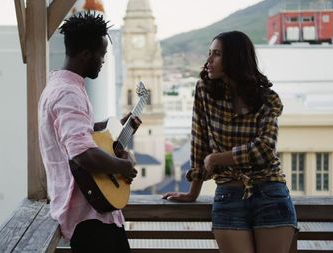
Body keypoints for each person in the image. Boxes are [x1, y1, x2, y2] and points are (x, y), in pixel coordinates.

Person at [162, 31, 298, 253]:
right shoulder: (205, 91)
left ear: (235, 59)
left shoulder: (266, 98)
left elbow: (265, 148)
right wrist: (192, 192)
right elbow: (199, 141)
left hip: (270, 193)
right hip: (228, 194)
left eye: (216, 54)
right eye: (209, 53)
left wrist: (217, 158)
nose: (209, 61)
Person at [38, 12, 140, 253]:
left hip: (95, 215)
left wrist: (114, 125)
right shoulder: (68, 93)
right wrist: (122, 167)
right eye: (101, 55)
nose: (103, 61)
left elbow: (77, 134)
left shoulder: (61, 86)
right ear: (86, 55)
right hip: (88, 218)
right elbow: (82, 153)